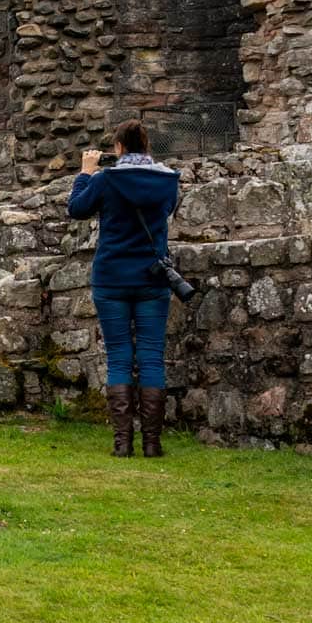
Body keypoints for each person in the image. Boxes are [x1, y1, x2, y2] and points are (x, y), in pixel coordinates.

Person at [66, 119, 179, 457]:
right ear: (146, 146)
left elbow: (76, 209)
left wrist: (85, 172)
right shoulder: (168, 180)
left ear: (116, 148)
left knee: (119, 357)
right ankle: (152, 444)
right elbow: (168, 212)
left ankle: (122, 444)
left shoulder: (106, 179)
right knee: (151, 357)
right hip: (152, 277)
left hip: (112, 277)